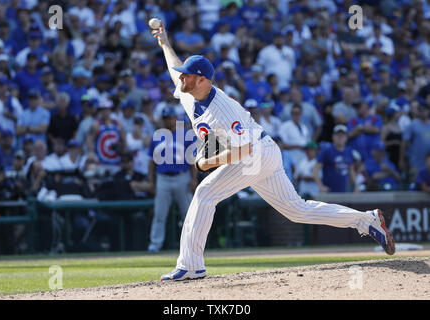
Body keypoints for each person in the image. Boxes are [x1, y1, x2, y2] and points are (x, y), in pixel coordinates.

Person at [152, 22, 395, 281]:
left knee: (204, 193)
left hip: (255, 154)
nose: (181, 78)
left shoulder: (223, 108)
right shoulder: (190, 92)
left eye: (187, 75)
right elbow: (172, 67)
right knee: (296, 210)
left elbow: (244, 150)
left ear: (202, 79)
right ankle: (365, 221)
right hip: (264, 151)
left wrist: (207, 163)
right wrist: (165, 42)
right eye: (183, 74)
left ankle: (191, 265)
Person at [147, 106, 197, 253]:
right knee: (159, 214)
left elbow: (192, 160)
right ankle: (155, 245)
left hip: (182, 176)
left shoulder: (185, 135)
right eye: (166, 118)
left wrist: (193, 179)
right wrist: (152, 181)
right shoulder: (157, 136)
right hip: (163, 178)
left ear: (176, 118)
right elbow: (151, 162)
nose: (169, 120)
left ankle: (193, 245)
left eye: (170, 117)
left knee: (188, 214)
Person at [313, 125, 359, 193]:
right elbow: (315, 169)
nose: (340, 137)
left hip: (344, 191)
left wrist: (356, 186)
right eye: (338, 135)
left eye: (342, 135)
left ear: (346, 137)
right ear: (333, 136)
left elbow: (351, 170)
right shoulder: (327, 150)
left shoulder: (349, 151)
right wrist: (321, 186)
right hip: (329, 192)